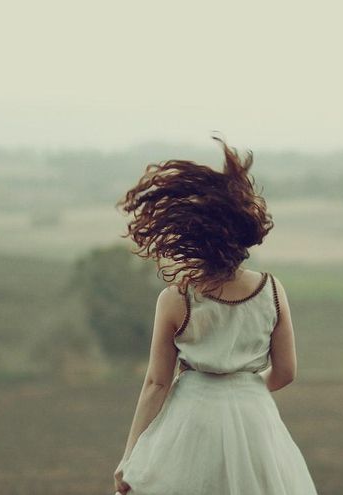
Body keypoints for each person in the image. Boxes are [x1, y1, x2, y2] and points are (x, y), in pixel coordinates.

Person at [111, 133, 318, 494]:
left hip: (191, 424)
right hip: (256, 421)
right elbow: (286, 372)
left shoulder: (176, 299)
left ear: (193, 237)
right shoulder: (272, 289)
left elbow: (157, 384)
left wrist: (130, 457)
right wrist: (242, 394)